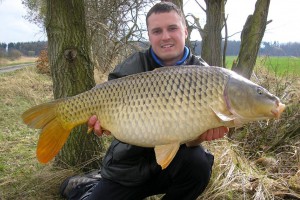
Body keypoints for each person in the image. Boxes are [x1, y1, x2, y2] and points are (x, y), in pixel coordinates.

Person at [60, 2, 229, 200]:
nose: (165, 36)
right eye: (157, 31)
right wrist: (102, 124)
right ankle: (83, 186)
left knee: (199, 163)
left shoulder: (205, 75)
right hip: (128, 167)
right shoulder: (131, 68)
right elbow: (104, 117)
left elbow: (191, 138)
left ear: (185, 31)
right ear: (149, 36)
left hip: (173, 164)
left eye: (172, 28)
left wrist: (200, 136)